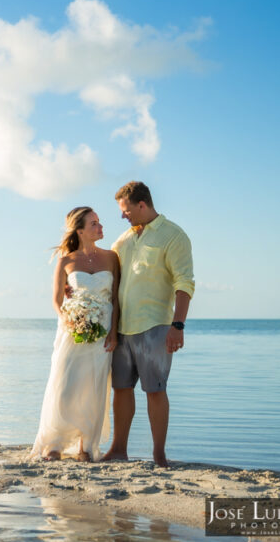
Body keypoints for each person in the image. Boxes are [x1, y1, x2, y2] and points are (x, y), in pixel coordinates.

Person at [102, 181, 194, 468]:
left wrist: (177, 325)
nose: (123, 216)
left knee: (155, 390)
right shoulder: (122, 241)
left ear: (142, 205)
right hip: (122, 329)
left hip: (155, 326)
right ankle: (118, 449)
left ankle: (158, 454)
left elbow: (184, 283)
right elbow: (109, 281)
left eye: (126, 210)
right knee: (121, 389)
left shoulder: (174, 236)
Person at [29, 207, 120, 462]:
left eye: (99, 222)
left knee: (94, 387)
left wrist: (113, 332)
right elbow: (57, 300)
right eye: (94, 223)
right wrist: (70, 319)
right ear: (80, 230)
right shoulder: (66, 261)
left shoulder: (112, 258)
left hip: (102, 332)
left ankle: (85, 447)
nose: (100, 227)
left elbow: (116, 298)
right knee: (65, 385)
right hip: (72, 331)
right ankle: (55, 445)